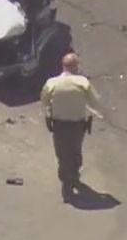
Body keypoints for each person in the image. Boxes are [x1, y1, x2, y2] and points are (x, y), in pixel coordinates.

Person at [40, 53, 104, 202]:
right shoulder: (82, 82)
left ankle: (66, 183)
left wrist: (48, 116)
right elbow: (95, 101)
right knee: (75, 150)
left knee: (62, 153)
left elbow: (44, 102)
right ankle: (74, 175)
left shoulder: (52, 83)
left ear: (63, 66)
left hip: (59, 125)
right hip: (77, 126)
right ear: (75, 66)